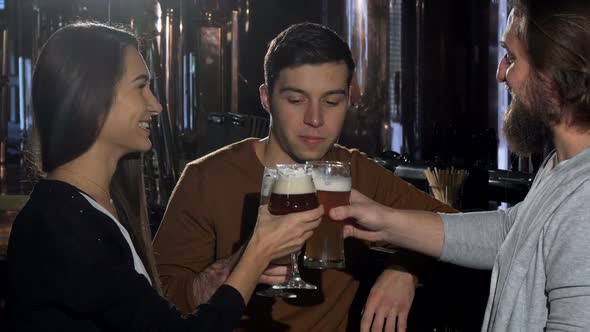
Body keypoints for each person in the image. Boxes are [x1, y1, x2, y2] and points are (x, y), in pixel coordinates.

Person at [7, 22, 321, 331]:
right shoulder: (64, 224)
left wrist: (233, 267)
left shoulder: (89, 211)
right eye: (141, 86)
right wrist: (258, 250)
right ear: (91, 97)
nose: (155, 105)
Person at [153, 22, 455, 332]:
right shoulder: (206, 178)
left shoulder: (354, 172)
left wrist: (404, 268)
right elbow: (158, 304)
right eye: (296, 100)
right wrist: (237, 267)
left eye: (331, 102)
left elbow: (460, 231)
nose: (315, 119)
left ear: (348, 100)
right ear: (267, 98)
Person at [329, 0, 590, 330]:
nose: (500, 74)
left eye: (510, 59)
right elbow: (510, 232)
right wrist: (386, 222)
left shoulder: (585, 199)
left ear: (551, 73)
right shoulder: (562, 166)